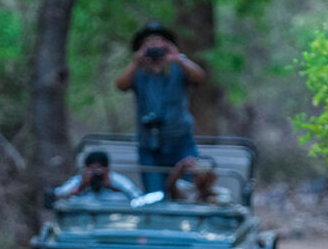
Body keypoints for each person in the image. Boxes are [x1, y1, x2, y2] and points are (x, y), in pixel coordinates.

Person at [115, 21, 206, 193]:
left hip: (181, 144)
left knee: (188, 193)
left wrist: (177, 58)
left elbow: (200, 77)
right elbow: (120, 85)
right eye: (148, 43)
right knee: (155, 196)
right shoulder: (138, 73)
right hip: (149, 146)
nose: (153, 46)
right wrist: (136, 62)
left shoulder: (178, 69)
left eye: (158, 41)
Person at [53, 150, 142, 200]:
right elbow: (58, 196)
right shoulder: (78, 181)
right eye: (91, 169)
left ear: (107, 169)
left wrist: (111, 186)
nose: (95, 173)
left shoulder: (118, 180)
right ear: (86, 169)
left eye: (98, 169)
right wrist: (82, 187)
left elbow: (137, 197)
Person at [165, 156, 232, 205]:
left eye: (206, 175)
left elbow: (222, 201)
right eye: (196, 175)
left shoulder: (223, 192)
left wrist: (206, 190)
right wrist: (181, 166)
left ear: (213, 177)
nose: (201, 177)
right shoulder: (186, 189)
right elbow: (171, 186)